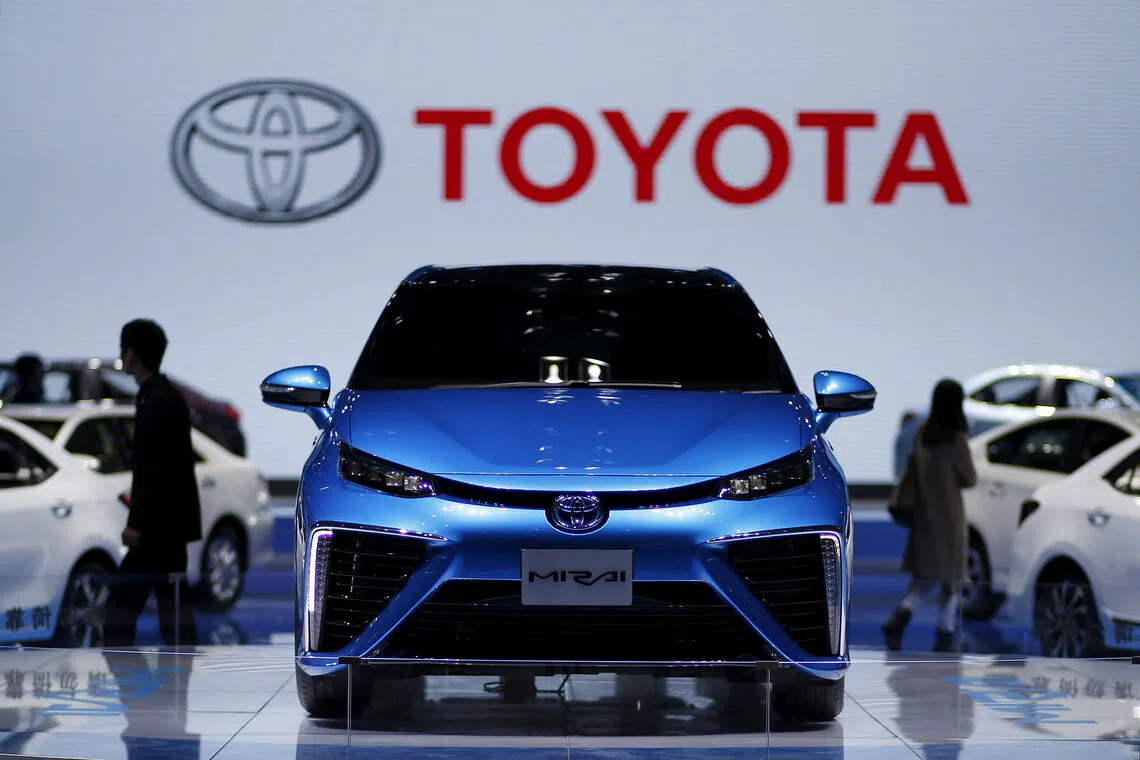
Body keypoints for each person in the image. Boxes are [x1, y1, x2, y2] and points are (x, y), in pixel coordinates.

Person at [104, 319, 200, 648]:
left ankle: (132, 687)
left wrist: (137, 525)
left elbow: (153, 470)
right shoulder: (162, 395)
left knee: (120, 610)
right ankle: (173, 685)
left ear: (131, 353)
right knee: (172, 608)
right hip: (168, 528)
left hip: (157, 530)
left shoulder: (156, 399)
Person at [882, 378, 977, 653]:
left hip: (925, 515)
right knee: (953, 578)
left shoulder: (922, 432)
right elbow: (969, 478)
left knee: (925, 576)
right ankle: (945, 632)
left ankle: (899, 618)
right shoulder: (957, 438)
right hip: (950, 516)